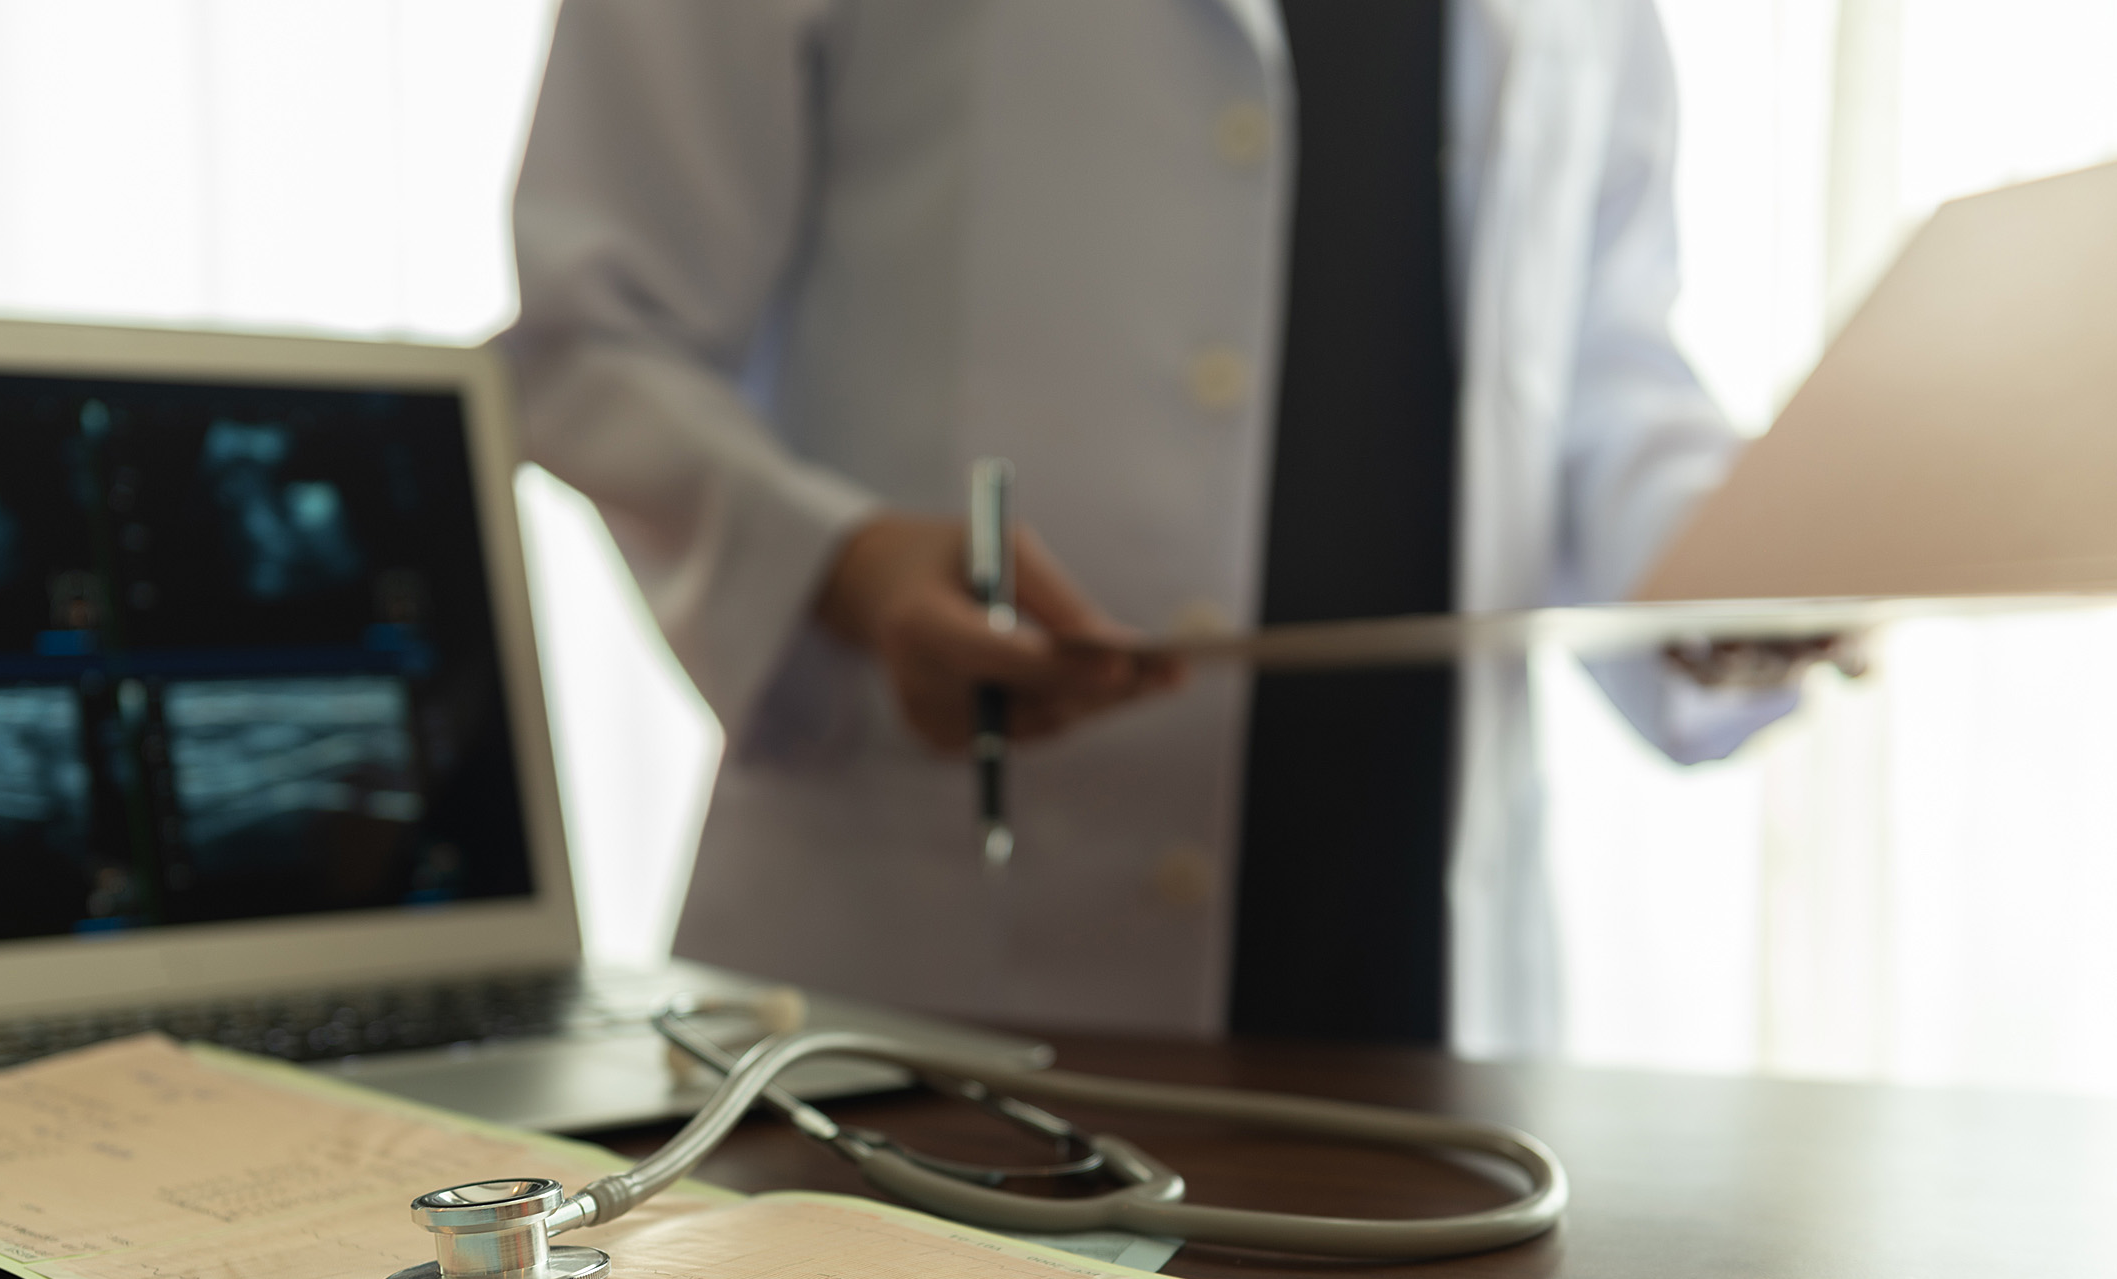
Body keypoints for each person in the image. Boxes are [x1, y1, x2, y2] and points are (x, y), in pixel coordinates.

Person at [499, 0, 1802, 1050]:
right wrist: (835, 560)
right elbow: (595, 331)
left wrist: (1728, 553)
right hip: (934, 968)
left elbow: (1592, 353)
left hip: (1414, 979)